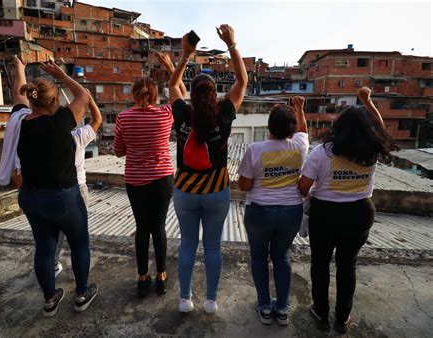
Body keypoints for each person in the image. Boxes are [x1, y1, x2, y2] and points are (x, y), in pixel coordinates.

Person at [298, 87, 395, 334]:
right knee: (347, 265)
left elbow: (303, 187)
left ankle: (321, 313)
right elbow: (381, 129)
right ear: (365, 129)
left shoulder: (323, 152)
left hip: (325, 215)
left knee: (320, 264)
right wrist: (368, 102)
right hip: (360, 213)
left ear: (338, 127)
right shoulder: (372, 150)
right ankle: (342, 318)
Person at [168, 24, 248, 314]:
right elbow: (242, 80)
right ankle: (211, 300)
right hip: (216, 191)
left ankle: (184, 300)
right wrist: (232, 44)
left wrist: (185, 55)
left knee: (188, 245)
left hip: (186, 192)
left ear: (192, 94)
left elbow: (172, 86)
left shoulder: (181, 113)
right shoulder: (224, 114)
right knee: (213, 248)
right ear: (215, 95)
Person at [13, 57, 98, 317]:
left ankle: (50, 300)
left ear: (31, 101)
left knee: (45, 248)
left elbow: (19, 92)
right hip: (62, 197)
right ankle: (81, 295)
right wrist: (61, 75)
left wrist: (19, 67)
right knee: (80, 244)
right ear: (53, 102)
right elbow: (83, 95)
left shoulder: (19, 121)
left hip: (30, 196)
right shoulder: (60, 121)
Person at [113, 52, 186, 298]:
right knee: (159, 227)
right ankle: (162, 276)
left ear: (134, 95)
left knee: (142, 228)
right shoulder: (166, 115)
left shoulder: (123, 118)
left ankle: (142, 278)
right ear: (155, 95)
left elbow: (119, 151)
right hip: (163, 179)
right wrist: (169, 66)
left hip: (135, 180)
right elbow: (180, 94)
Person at [238, 97, 309, 325]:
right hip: (291, 212)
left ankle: (265, 307)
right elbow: (304, 131)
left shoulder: (255, 149)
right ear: (292, 128)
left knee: (259, 257)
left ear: (269, 127)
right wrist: (299, 108)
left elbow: (245, 185)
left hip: (259, 212)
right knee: (282, 256)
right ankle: (282, 309)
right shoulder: (299, 146)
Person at [54, 93, 102, 277]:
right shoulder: (78, 136)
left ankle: (52, 264)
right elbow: (98, 119)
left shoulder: (46, 137)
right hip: (77, 189)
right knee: (78, 233)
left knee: (56, 230)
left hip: (53, 190)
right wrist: (88, 99)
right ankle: (77, 270)